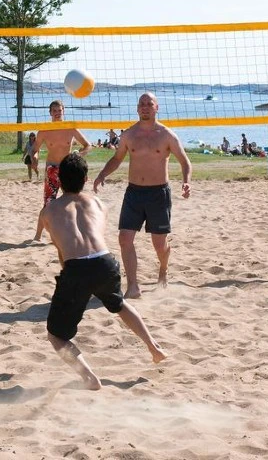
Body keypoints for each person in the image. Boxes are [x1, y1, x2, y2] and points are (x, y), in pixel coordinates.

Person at [37, 153, 167, 390]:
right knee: (118, 303)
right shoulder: (98, 204)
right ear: (86, 178)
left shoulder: (48, 211)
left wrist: (71, 278)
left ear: (59, 179)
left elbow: (62, 251)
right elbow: (94, 234)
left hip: (76, 267)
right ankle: (153, 346)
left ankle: (88, 377)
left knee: (56, 336)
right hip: (105, 261)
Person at [93, 92, 192, 298]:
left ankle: (163, 269)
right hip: (134, 192)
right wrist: (102, 174)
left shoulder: (167, 135)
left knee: (159, 244)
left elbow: (185, 161)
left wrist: (186, 181)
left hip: (158, 194)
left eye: (149, 103)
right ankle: (133, 286)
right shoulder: (129, 134)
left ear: (157, 108)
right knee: (124, 238)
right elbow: (117, 158)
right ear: (137, 109)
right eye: (142, 104)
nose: (145, 107)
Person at [31, 100, 92, 240]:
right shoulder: (44, 130)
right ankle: (37, 236)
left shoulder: (71, 128)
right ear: (50, 113)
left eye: (60, 110)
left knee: (72, 202)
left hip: (68, 169)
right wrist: (34, 158)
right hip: (51, 169)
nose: (57, 113)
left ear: (64, 111)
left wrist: (78, 155)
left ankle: (76, 233)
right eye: (54, 111)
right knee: (47, 204)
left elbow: (88, 145)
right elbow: (35, 149)